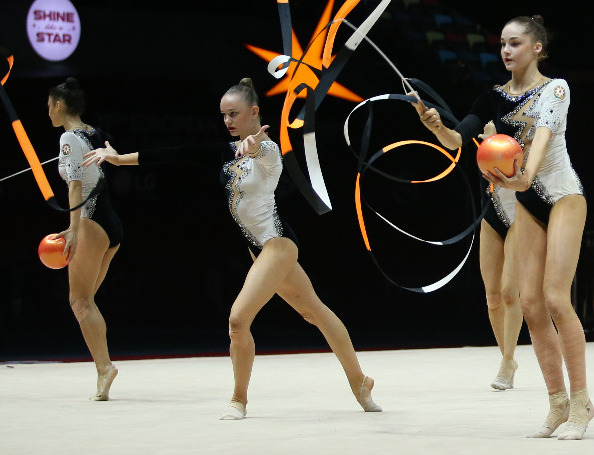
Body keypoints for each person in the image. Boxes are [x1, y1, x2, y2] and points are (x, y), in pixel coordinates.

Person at [82, 78, 381, 420]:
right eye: (224, 115)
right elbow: (177, 153)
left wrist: (255, 146)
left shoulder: (269, 151)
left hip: (278, 244)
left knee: (238, 320)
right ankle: (360, 382)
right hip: (259, 249)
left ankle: (238, 400)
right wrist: (119, 159)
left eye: (234, 114)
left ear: (254, 112)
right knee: (315, 312)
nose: (228, 121)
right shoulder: (226, 151)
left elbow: (261, 151)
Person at [420, 15, 593, 439]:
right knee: (530, 304)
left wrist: (524, 178)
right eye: (502, 44)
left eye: (515, 43)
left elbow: (544, 135)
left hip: (562, 195)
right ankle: (557, 403)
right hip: (526, 201)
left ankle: (581, 403)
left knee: (555, 298)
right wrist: (437, 126)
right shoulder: (492, 97)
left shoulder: (556, 89)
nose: (506, 50)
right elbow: (459, 139)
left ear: (537, 48)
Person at [413, 73, 524, 391]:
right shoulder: (487, 105)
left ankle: (507, 362)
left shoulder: (530, 115)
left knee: (509, 292)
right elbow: (455, 139)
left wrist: (497, 138)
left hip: (523, 212)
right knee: (492, 297)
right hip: (493, 212)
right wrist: (436, 127)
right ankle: (507, 357)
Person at [48, 77, 122, 401]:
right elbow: (106, 155)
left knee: (79, 302)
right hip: (110, 224)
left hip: (91, 222)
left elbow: (75, 185)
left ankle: (105, 368)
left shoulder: (67, 138)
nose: (48, 112)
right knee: (86, 301)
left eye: (49, 106)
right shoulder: (94, 132)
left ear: (59, 105)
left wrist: (73, 230)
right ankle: (104, 368)